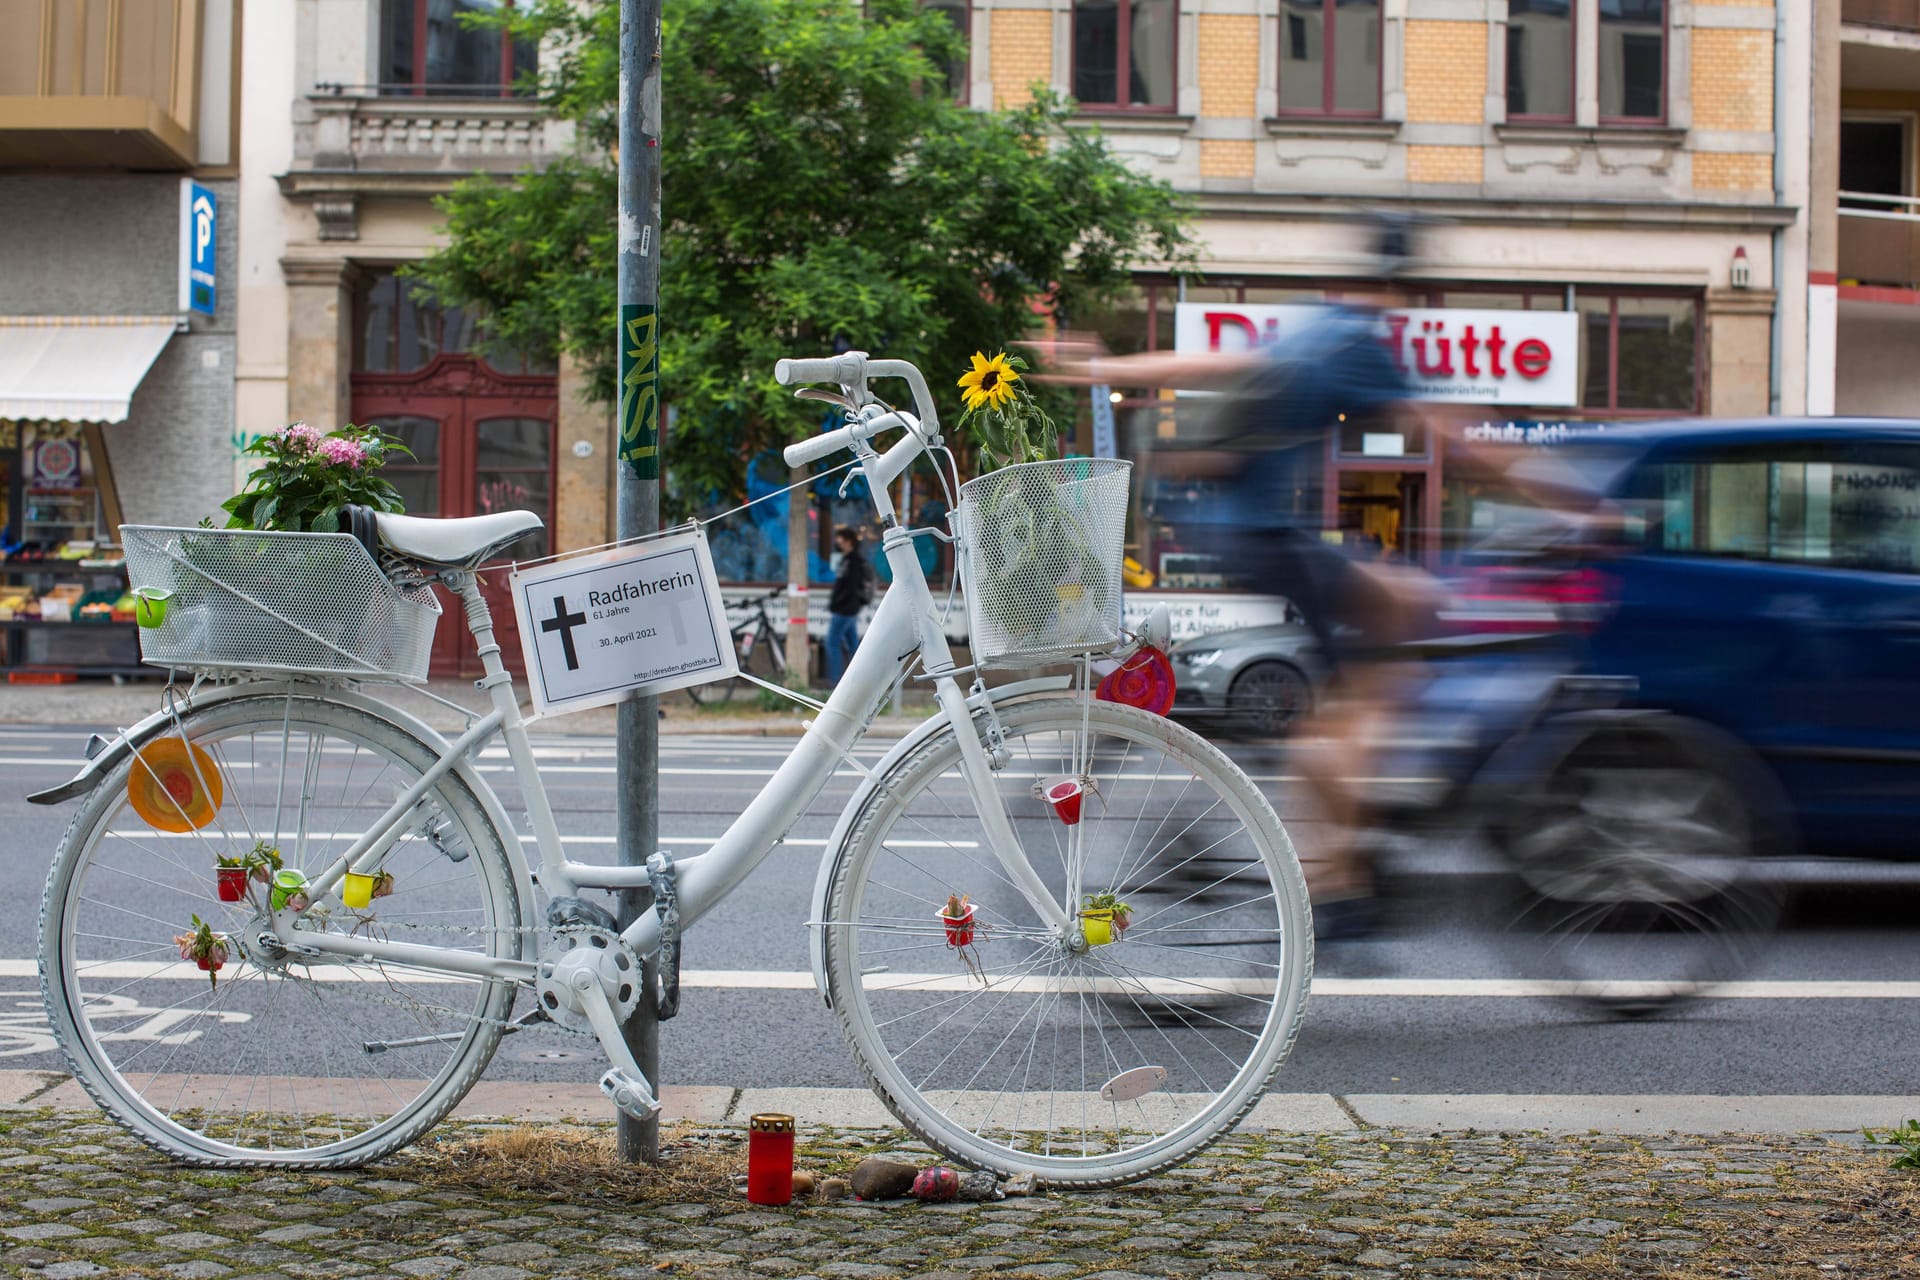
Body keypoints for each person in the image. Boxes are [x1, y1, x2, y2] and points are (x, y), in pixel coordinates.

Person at [826, 526, 873, 685]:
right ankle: (859, 681)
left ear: (849, 542)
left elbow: (850, 588)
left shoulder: (853, 562)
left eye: (840, 541)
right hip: (848, 609)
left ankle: (836, 683)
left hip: (845, 609)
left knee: (832, 643)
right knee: (853, 646)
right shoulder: (847, 560)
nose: (837, 544)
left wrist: (836, 603)